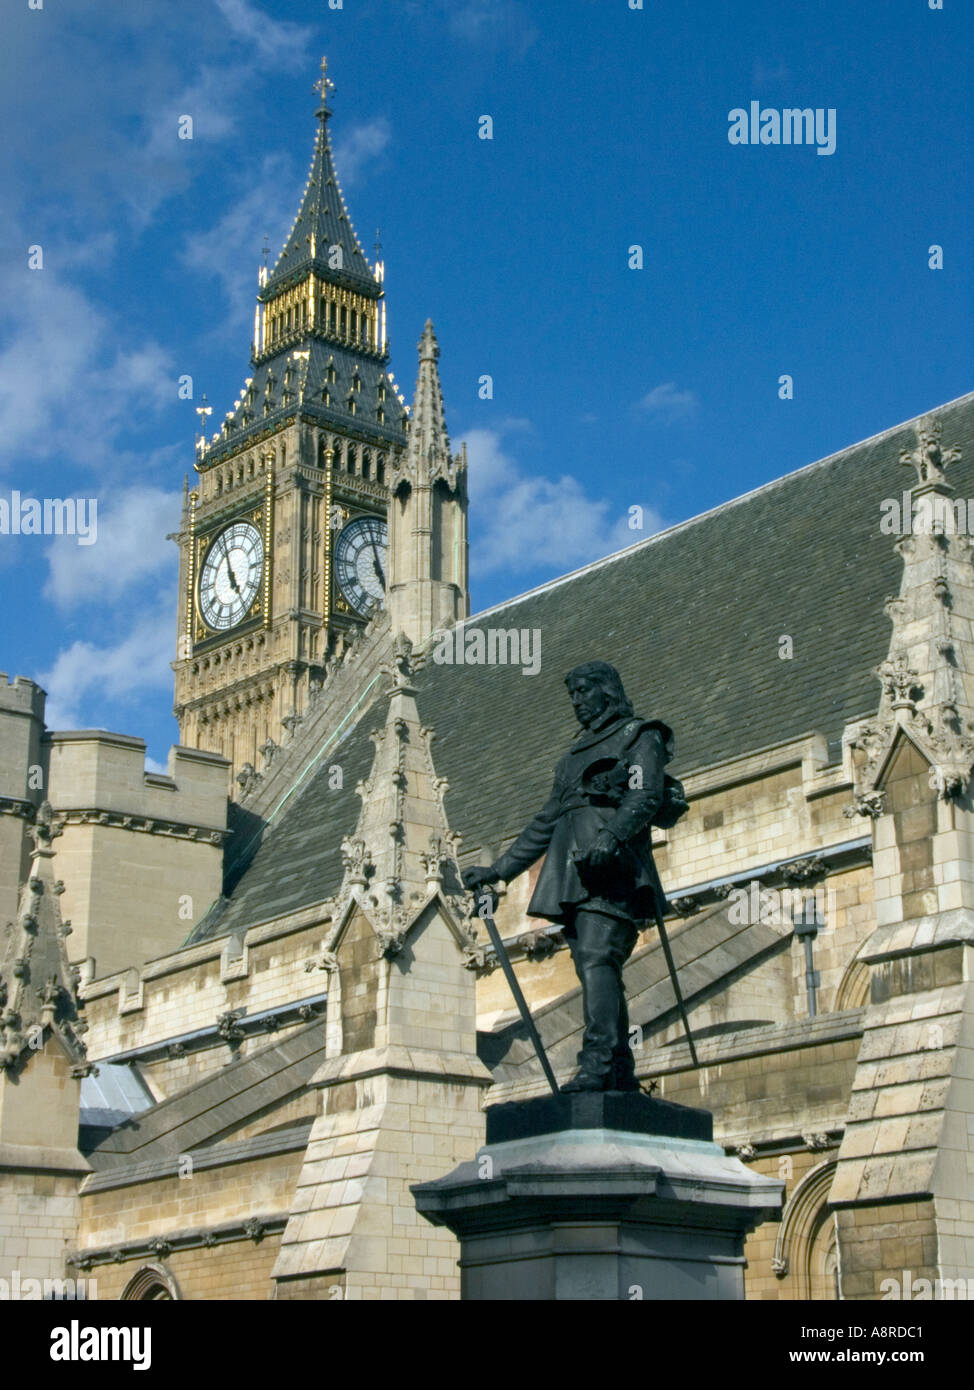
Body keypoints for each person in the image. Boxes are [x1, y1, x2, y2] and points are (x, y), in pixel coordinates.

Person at [462, 661, 676, 1092]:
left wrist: (612, 836)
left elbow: (646, 794)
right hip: (574, 877)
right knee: (592, 964)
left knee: (598, 959)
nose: (577, 701)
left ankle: (597, 1064)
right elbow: (544, 822)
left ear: (606, 691)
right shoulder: (571, 759)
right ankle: (617, 1069)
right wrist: (498, 871)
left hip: (615, 871)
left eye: (583, 691)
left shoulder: (640, 735)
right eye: (572, 694)